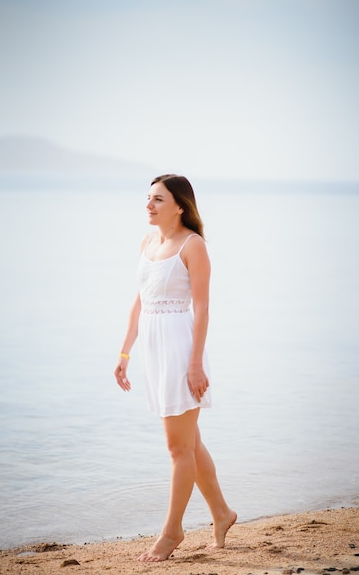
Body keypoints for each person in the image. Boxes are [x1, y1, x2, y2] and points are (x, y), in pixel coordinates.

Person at [114, 174, 237, 563]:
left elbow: (201, 309)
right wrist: (124, 353)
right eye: (147, 198)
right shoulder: (148, 242)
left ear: (179, 206)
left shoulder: (193, 245)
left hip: (180, 347)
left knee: (177, 446)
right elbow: (140, 300)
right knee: (190, 442)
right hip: (152, 346)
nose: (148, 205)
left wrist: (196, 364)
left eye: (158, 200)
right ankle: (222, 513)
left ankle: (172, 532)